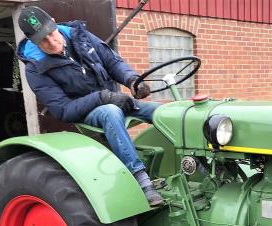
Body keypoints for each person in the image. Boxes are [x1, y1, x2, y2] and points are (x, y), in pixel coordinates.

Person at [16, 6, 163, 206]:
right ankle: (141, 180)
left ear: (54, 22)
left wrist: (132, 80)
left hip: (111, 97)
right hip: (86, 110)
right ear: (33, 40)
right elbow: (63, 110)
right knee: (110, 112)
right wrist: (103, 98)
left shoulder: (79, 35)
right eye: (43, 40)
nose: (52, 42)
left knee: (164, 112)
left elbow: (112, 62)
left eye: (51, 33)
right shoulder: (35, 68)